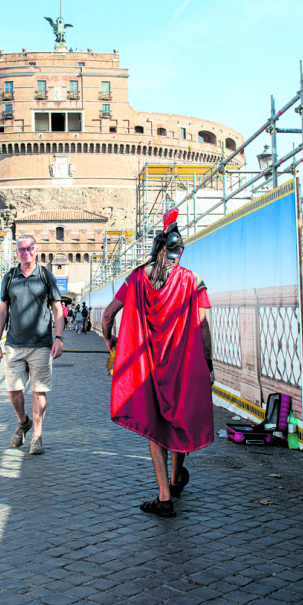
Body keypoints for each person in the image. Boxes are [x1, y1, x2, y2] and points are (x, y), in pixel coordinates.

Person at [102, 208, 213, 517]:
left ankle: (165, 495)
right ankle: (178, 475)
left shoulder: (137, 278)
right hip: (182, 364)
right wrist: (209, 364)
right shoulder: (192, 281)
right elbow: (203, 325)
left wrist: (109, 340)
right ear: (180, 251)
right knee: (180, 418)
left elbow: (108, 314)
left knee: (155, 428)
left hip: (147, 367)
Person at [0, 234, 64, 455]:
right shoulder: (9, 277)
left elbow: (58, 309)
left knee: (39, 391)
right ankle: (23, 421)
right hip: (14, 344)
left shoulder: (46, 276)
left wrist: (59, 338)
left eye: (29, 248)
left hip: (41, 344)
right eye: (21, 249)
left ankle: (37, 436)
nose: (26, 253)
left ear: (36, 249)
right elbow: (3, 311)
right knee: (14, 389)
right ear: (17, 253)